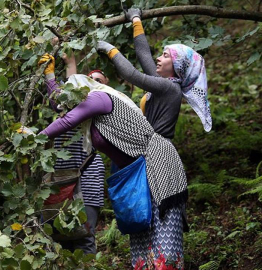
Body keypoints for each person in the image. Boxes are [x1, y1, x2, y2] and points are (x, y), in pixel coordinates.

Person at [40, 74, 187, 268]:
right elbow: (60, 106)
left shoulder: (98, 98)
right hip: (136, 170)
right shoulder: (90, 112)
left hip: (157, 164)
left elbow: (66, 120)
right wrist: (49, 77)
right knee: (141, 231)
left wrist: (35, 138)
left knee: (162, 236)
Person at [99, 8, 212, 142]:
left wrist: (109, 49)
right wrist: (136, 20)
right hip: (153, 145)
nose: (158, 58)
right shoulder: (167, 83)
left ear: (177, 65)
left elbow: (132, 75)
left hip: (158, 151)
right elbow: (144, 54)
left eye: (165, 56)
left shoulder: (168, 86)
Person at [38, 53, 106, 254]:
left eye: (97, 81)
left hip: (87, 176)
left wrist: (56, 74)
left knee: (84, 237)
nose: (90, 83)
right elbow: (66, 96)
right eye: (88, 78)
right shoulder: (69, 107)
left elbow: (64, 100)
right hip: (60, 180)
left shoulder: (97, 102)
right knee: (59, 239)